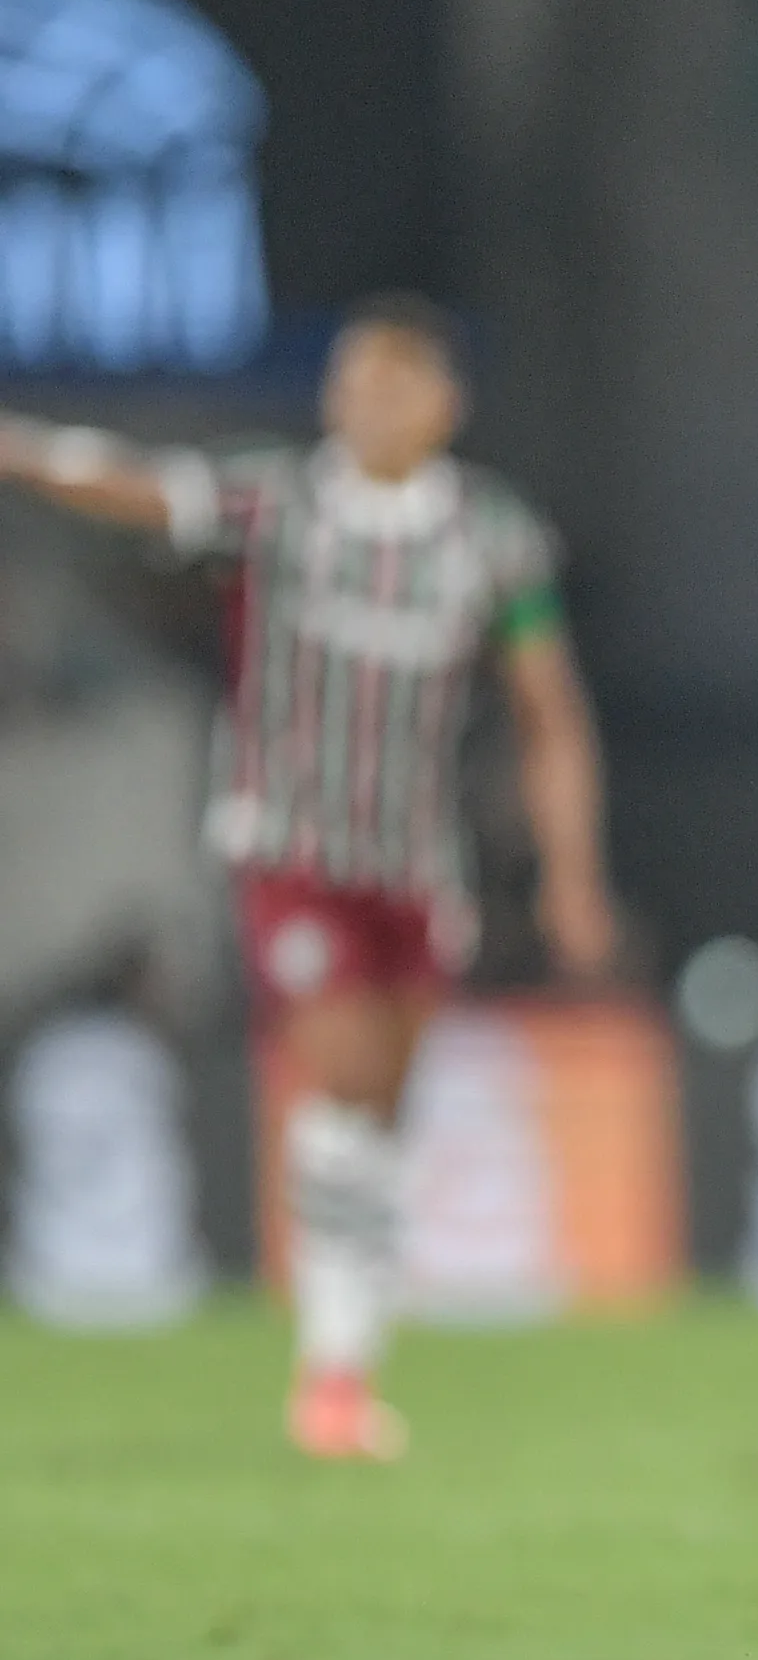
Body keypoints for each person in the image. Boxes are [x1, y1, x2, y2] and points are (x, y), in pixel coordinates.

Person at [0, 295, 618, 1459]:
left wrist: (572, 874)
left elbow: (552, 716)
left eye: (391, 385)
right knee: (334, 1081)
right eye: (349, 382)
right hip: (291, 848)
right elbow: (134, 484)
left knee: (380, 1110)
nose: (364, 404)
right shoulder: (278, 503)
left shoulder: (492, 535)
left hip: (415, 860)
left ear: (444, 404)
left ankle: (350, 1351)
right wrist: (21, 451)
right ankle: (330, 1381)